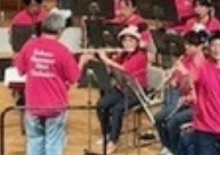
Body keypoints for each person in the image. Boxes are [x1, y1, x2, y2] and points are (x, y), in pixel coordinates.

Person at [14, 11, 84, 154]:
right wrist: (82, 61)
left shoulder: (29, 46)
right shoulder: (63, 51)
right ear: (60, 31)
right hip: (55, 106)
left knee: (34, 143)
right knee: (54, 144)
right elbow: (74, 78)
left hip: (33, 104)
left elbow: (20, 70)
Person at [88, 26, 150, 154]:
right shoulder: (124, 54)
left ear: (137, 42)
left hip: (136, 92)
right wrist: (103, 59)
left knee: (117, 109)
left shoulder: (140, 56)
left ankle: (114, 140)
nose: (127, 43)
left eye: (131, 40)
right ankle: (108, 133)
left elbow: (124, 70)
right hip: (122, 89)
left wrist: (106, 59)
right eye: (125, 40)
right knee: (101, 105)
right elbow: (112, 69)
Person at [155, 30, 206, 155]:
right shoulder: (185, 58)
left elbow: (192, 85)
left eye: (190, 45)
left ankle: (175, 152)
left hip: (197, 105)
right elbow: (179, 83)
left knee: (172, 123)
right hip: (184, 100)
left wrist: (185, 73)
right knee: (159, 118)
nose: (186, 47)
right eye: (186, 44)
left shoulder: (201, 64)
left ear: (199, 47)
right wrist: (173, 79)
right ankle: (167, 147)